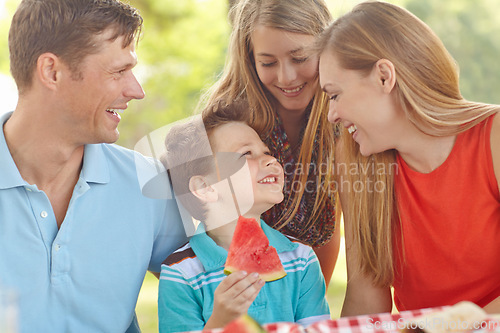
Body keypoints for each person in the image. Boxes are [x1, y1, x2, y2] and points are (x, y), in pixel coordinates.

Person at [0, 0, 188, 332]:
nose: (137, 91)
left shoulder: (148, 185)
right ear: (51, 72)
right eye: (118, 71)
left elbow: (208, 289)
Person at [316, 1, 500, 315]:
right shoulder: (356, 164)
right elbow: (365, 295)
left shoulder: (492, 138)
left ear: (384, 77)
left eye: (335, 94)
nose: (332, 114)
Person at [158, 100, 330, 332]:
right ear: (206, 187)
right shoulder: (181, 272)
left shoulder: (300, 259)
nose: (272, 160)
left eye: (267, 152)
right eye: (246, 154)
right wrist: (220, 322)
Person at [202, 0, 340, 286]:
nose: (286, 77)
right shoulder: (226, 123)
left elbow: (329, 226)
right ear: (250, 59)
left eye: (300, 58)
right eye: (268, 62)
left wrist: (309, 303)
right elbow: (187, 232)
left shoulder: (343, 119)